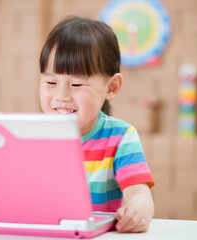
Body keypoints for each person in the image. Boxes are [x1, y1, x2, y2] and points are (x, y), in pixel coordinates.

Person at [39, 16, 155, 233]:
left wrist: (137, 211)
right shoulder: (30, 136)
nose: (61, 95)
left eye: (76, 84)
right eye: (50, 82)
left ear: (111, 87)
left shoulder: (120, 137)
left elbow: (139, 195)